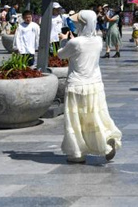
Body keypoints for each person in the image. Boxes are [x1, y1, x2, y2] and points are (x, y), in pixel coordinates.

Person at [58, 10, 122, 163]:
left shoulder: (75, 42)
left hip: (77, 84)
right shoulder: (98, 40)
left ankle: (77, 152)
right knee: (96, 115)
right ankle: (106, 138)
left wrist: (63, 40)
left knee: (76, 119)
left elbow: (61, 55)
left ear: (82, 24)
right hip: (95, 84)